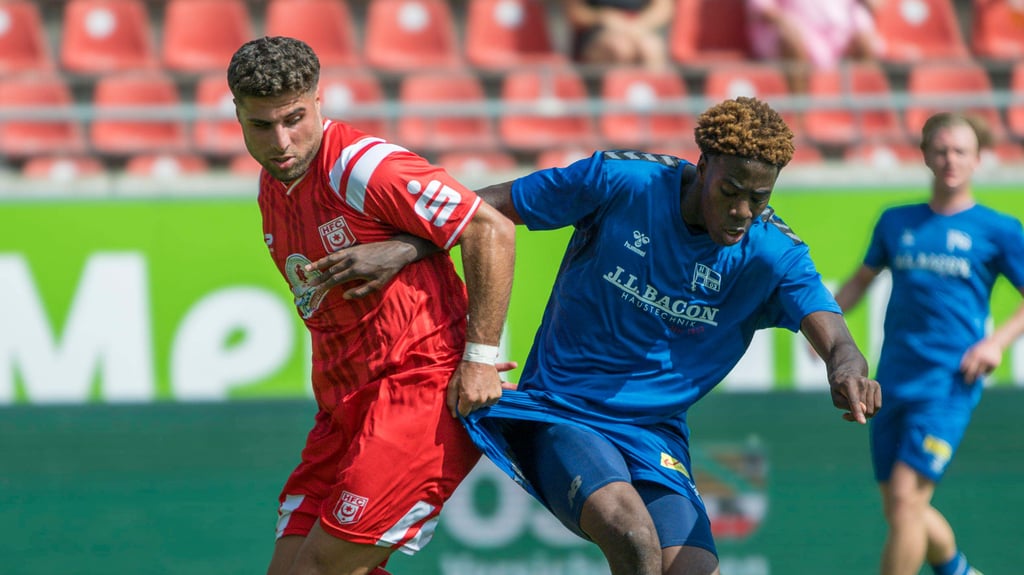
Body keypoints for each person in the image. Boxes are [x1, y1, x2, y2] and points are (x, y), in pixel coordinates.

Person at [459, 96, 882, 575]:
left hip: (654, 433)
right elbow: (481, 207)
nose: (743, 210)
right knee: (634, 537)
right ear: (703, 167)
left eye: (759, 198)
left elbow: (838, 339)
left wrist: (846, 369)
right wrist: (402, 246)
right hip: (563, 410)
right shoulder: (621, 181)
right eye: (732, 191)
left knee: (695, 571)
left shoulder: (772, 255)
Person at [226, 36, 516, 575]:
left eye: (294, 119)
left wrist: (478, 357)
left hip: (417, 392)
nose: (281, 141)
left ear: (318, 101)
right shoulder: (275, 183)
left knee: (322, 568)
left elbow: (488, 226)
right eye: (261, 126)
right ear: (237, 115)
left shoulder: (360, 167)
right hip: (343, 411)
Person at [832, 112, 1024, 575]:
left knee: (904, 500)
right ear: (924, 155)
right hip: (892, 378)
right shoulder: (896, 221)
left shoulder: (998, 229)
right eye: (940, 149)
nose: (950, 159)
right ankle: (958, 570)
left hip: (949, 381)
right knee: (901, 507)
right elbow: (860, 281)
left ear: (979, 159)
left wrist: (996, 342)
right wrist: (824, 330)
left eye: (960, 150)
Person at [745, 0, 883, 92]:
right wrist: (783, 21)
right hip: (787, 34)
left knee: (866, 45)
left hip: (838, 35)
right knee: (792, 42)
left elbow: (876, 4)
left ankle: (861, 118)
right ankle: (799, 117)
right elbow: (760, 7)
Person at [564, 0, 674, 69]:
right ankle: (619, 101)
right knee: (621, 48)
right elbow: (575, 13)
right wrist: (603, 17)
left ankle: (656, 102)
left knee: (652, 48)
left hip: (639, 28)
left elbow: (663, 8)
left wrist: (636, 25)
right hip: (597, 31)